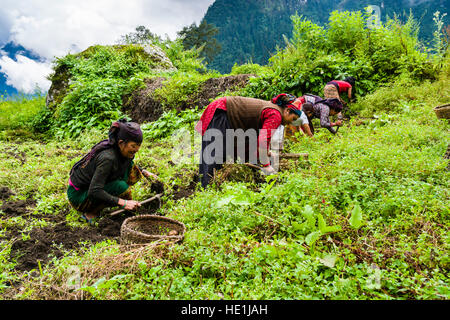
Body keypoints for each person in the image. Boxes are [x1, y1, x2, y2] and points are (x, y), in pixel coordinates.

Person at [195, 94, 304, 187]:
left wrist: (266, 153)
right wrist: (267, 166)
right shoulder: (276, 115)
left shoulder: (274, 110)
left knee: (219, 153)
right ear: (287, 111)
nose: (291, 123)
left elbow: (261, 138)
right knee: (215, 154)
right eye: (293, 119)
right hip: (222, 111)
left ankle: (209, 185)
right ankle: (206, 188)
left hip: (226, 114)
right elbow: (262, 141)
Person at [67, 119, 157, 224]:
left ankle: (122, 200)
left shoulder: (122, 151)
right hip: (79, 195)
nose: (136, 149)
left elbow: (127, 164)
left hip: (91, 186)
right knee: (121, 186)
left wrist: (145, 172)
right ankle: (90, 214)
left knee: (131, 169)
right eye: (133, 146)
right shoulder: (108, 158)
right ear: (121, 143)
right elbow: (94, 191)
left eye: (138, 145)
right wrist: (123, 203)